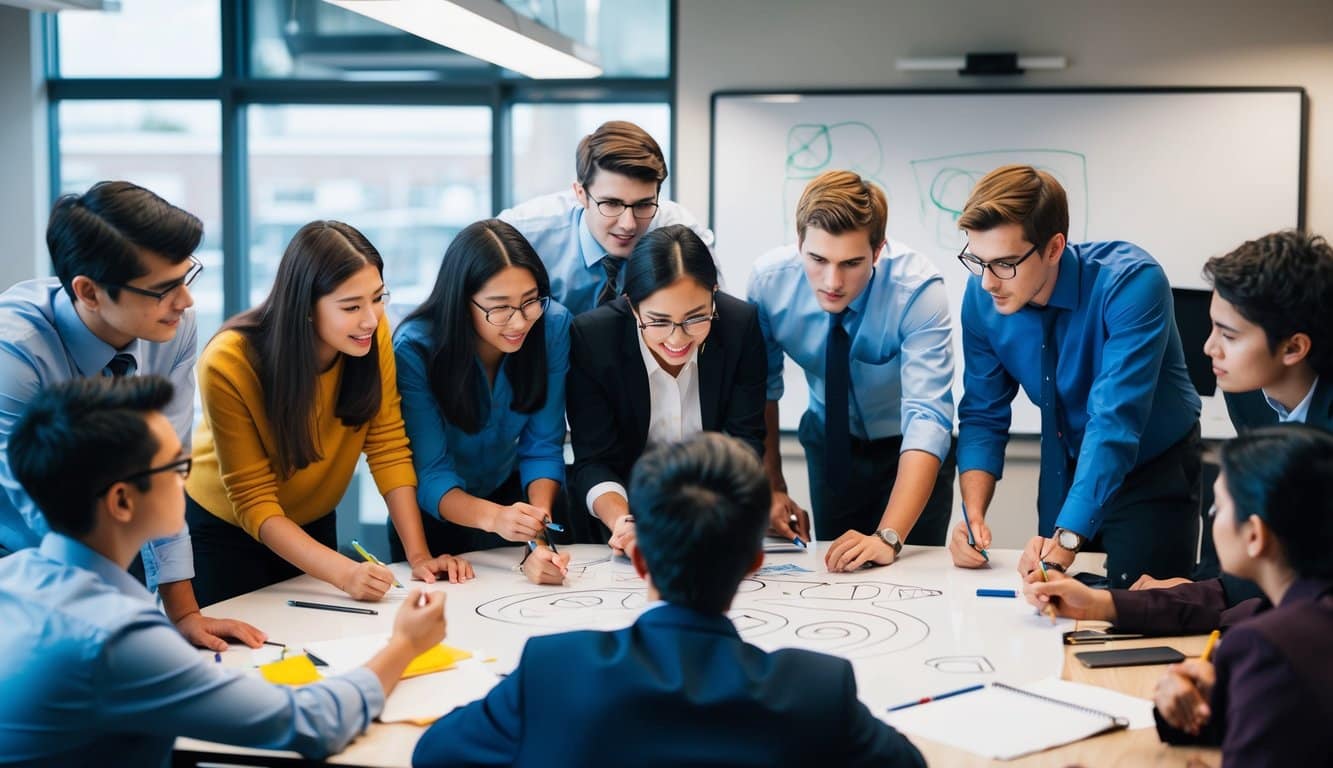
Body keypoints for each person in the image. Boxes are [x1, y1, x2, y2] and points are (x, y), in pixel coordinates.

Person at [0, 376, 449, 766]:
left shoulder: (16, 577)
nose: (187, 480)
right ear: (121, 501)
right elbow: (313, 723)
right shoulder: (115, 638)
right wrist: (404, 645)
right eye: (177, 467)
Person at [411, 432, 927, 768]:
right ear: (754, 562)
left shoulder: (556, 669)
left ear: (640, 562)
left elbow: (433, 754)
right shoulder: (816, 689)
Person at [0, 180, 260, 651]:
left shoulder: (172, 326)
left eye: (188, 277)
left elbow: (164, 467)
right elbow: (33, 499)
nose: (186, 301)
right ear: (90, 291)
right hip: (20, 557)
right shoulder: (15, 352)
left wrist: (183, 613)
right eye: (164, 288)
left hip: (114, 537)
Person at [186, 220, 470, 606]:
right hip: (225, 532)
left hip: (312, 522)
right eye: (351, 306)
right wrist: (345, 572)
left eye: (378, 297)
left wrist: (418, 557)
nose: (370, 318)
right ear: (304, 307)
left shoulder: (371, 333)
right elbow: (254, 501)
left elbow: (387, 446)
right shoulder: (229, 361)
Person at [949, 164, 1202, 588]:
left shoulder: (1132, 284)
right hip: (1065, 462)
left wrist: (1067, 537)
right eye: (979, 261)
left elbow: (1114, 421)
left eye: (1006, 263)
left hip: (1152, 468)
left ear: (1053, 248)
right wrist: (973, 515)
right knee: (1050, 607)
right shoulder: (982, 297)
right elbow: (982, 413)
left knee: (1141, 616)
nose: (989, 282)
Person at [1029, 425, 1333, 765]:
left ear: (1255, 536)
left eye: (1218, 509)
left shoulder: (1264, 645)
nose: (1212, 519)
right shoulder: (1299, 609)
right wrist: (1212, 701)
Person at [747, 170, 955, 571]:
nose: (833, 281)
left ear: (878, 250)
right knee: (837, 572)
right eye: (818, 259)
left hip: (908, 449)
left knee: (914, 576)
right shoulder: (769, 283)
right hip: (830, 444)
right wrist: (771, 485)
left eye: (852, 263)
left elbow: (927, 417)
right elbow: (762, 389)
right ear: (799, 243)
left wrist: (888, 537)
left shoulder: (918, 290)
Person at [1137, 229, 1332, 591]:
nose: (1210, 347)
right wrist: (1198, 593)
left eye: (1229, 336)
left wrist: (1206, 597)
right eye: (1213, 327)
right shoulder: (1248, 391)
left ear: (1293, 348)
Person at [567, 224, 765, 556]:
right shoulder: (593, 339)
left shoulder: (739, 326)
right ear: (632, 306)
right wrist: (622, 523)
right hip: (617, 522)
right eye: (658, 321)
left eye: (695, 318)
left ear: (713, 294)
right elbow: (594, 461)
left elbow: (745, 441)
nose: (677, 339)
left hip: (715, 517)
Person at [395, 219, 571, 585]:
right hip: (435, 516)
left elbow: (542, 447)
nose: (520, 322)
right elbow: (431, 474)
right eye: (500, 308)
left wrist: (538, 536)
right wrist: (496, 519)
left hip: (512, 496)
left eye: (530, 301)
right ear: (461, 302)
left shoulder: (552, 326)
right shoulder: (416, 349)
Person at [498, 120, 714, 314]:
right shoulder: (523, 232)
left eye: (644, 204)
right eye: (611, 204)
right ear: (581, 194)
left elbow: (716, 311)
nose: (628, 225)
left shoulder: (681, 234)